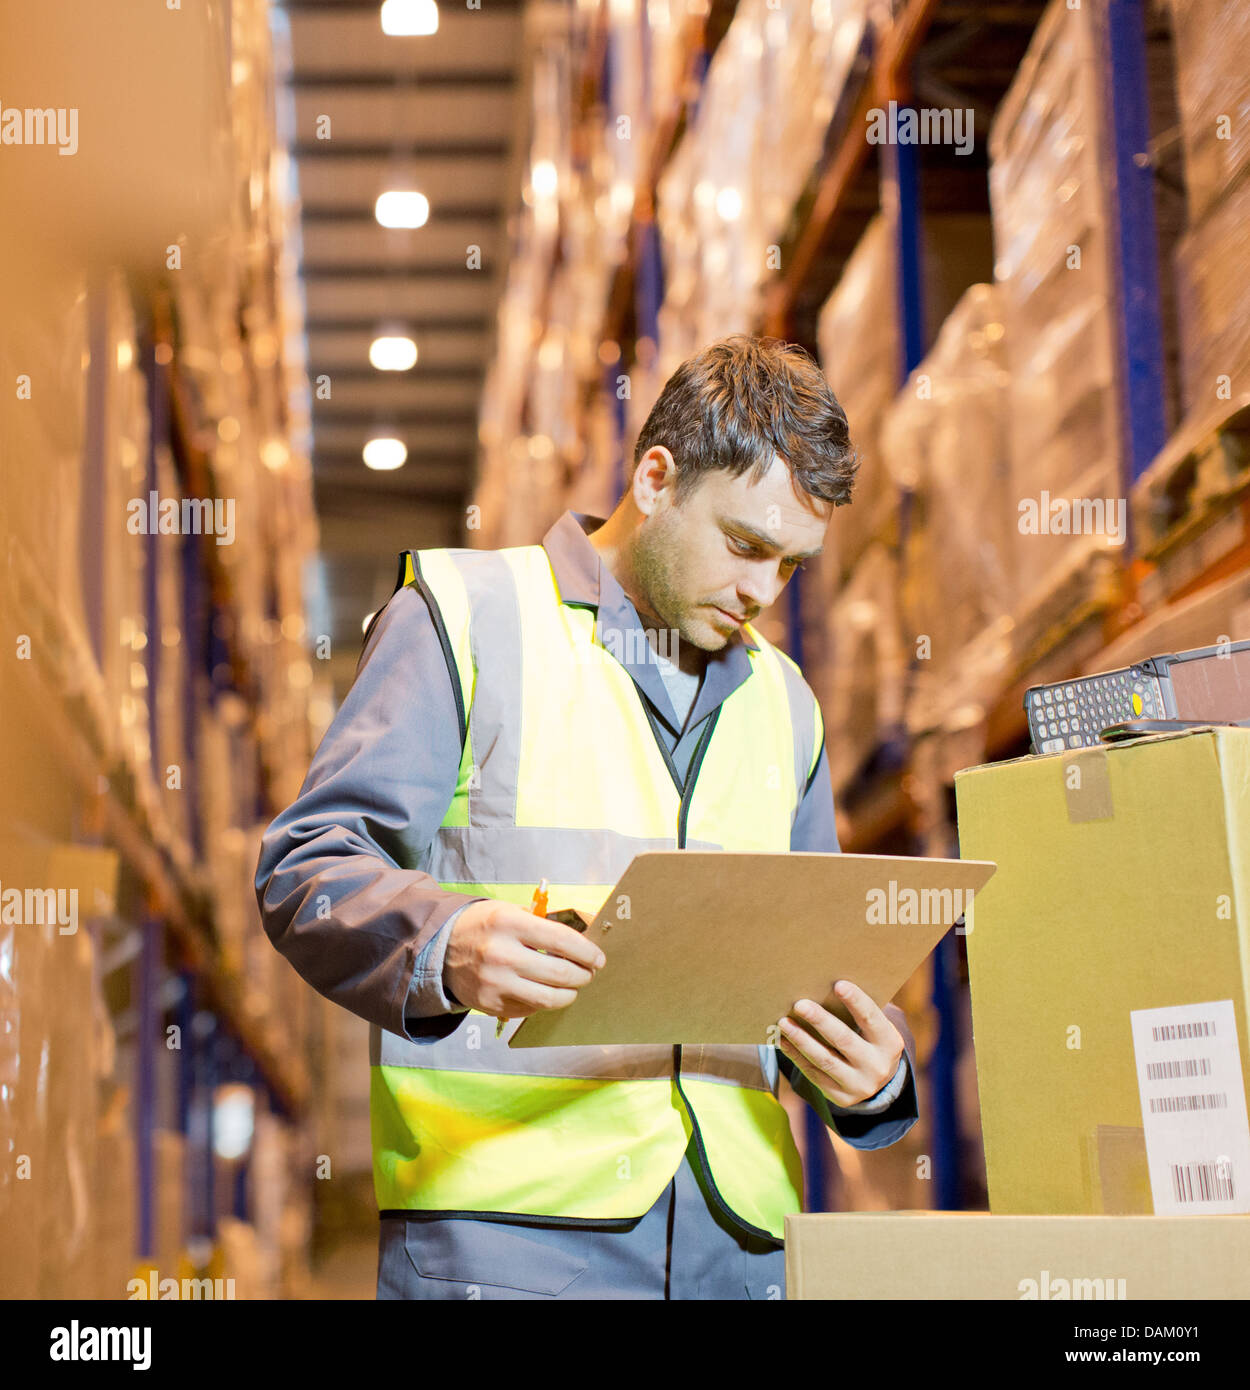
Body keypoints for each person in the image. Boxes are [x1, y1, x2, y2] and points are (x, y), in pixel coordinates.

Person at [255, 334, 919, 1300]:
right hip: (510, 1242)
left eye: (791, 566)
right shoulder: (469, 615)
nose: (760, 594)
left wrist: (872, 1080)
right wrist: (447, 943)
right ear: (656, 478)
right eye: (744, 545)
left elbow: (817, 967)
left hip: (737, 1251)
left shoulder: (787, 701)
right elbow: (306, 866)